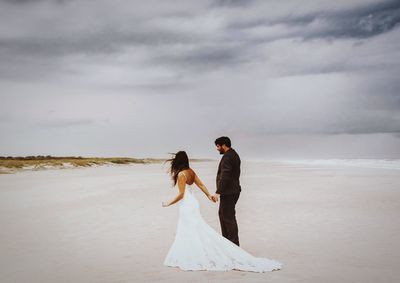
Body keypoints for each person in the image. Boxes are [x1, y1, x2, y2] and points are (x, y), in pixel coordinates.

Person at [162, 151, 282, 272]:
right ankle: (192, 251)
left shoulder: (181, 174)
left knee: (188, 228)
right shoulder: (191, 171)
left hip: (187, 204)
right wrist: (209, 195)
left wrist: (168, 203)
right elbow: (201, 185)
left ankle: (190, 254)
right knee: (195, 228)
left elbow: (181, 195)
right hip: (193, 203)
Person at [211, 136, 241, 246]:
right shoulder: (233, 154)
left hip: (229, 192)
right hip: (232, 191)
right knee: (224, 216)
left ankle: (233, 246)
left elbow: (225, 175)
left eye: (218, 146)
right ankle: (228, 243)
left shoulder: (228, 157)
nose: (217, 149)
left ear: (224, 145)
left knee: (228, 218)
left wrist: (218, 192)